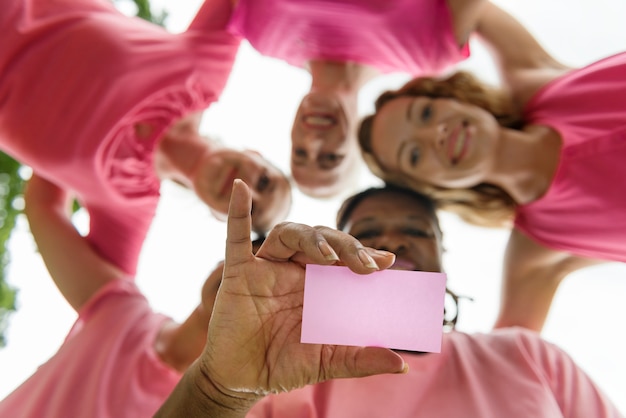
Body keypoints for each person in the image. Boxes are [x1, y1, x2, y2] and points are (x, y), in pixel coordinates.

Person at [156, 183, 622, 417]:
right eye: (370, 235)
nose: (395, 244)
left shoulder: (525, 354)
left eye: (417, 231)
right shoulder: (283, 383)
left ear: (444, 254)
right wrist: (218, 388)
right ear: (334, 258)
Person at [0, 178, 394, 417]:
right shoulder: (122, 310)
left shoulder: (226, 405)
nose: (251, 273)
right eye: (249, 255)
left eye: (275, 274)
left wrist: (216, 393)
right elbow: (43, 204)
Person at [356, 9, 626, 331]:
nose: (435, 134)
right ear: (433, 187)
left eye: (426, 113)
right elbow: (506, 357)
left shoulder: (539, 81)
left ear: (453, 98)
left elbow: (476, 10)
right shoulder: (539, 247)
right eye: (414, 155)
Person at [0, 0, 292, 277]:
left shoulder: (127, 208)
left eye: (250, 210)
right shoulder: (203, 73)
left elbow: (114, 300)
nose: (248, 192)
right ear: (255, 153)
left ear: (221, 218)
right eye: (265, 181)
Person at [226, 0, 554, 198]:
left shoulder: (260, 35)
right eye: (330, 158)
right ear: (361, 147)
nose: (313, 142)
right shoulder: (431, 52)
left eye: (299, 153)